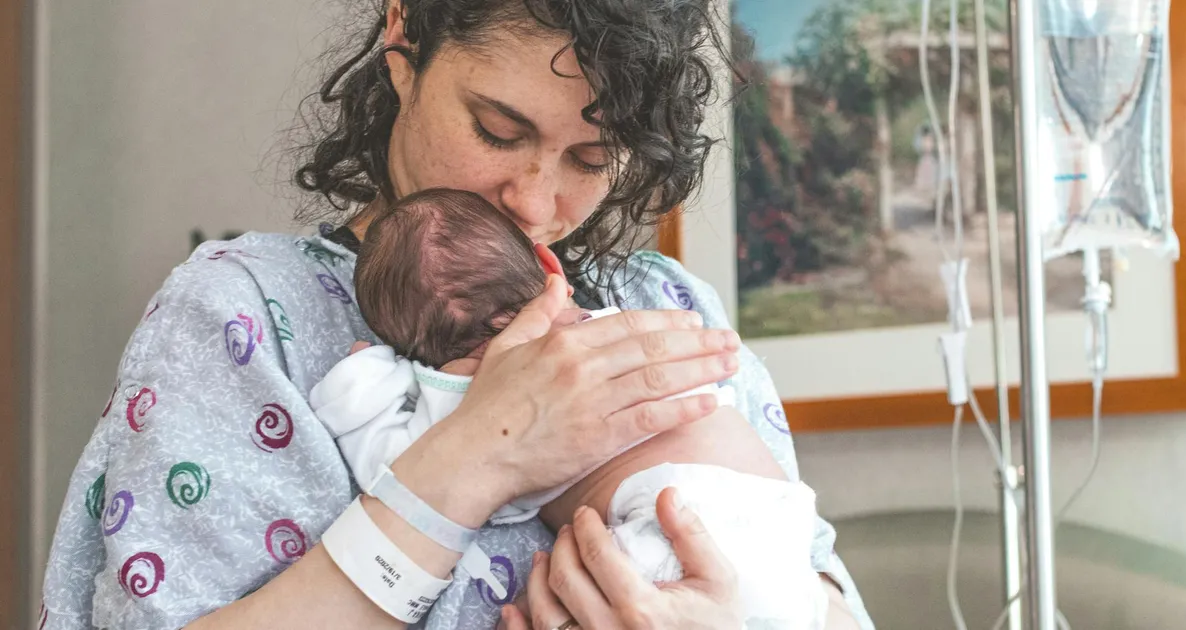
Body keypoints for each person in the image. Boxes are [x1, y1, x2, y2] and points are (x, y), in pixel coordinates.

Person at [39, 1, 874, 629]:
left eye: (592, 158)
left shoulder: (666, 303)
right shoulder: (245, 312)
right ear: (404, 40)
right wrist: (479, 454)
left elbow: (825, 585)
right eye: (497, 129)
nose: (535, 201)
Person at [312, 187, 827, 627]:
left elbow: (389, 462)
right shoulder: (632, 321)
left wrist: (364, 381)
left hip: (671, 540)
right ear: (547, 264)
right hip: (787, 535)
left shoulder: (472, 392)